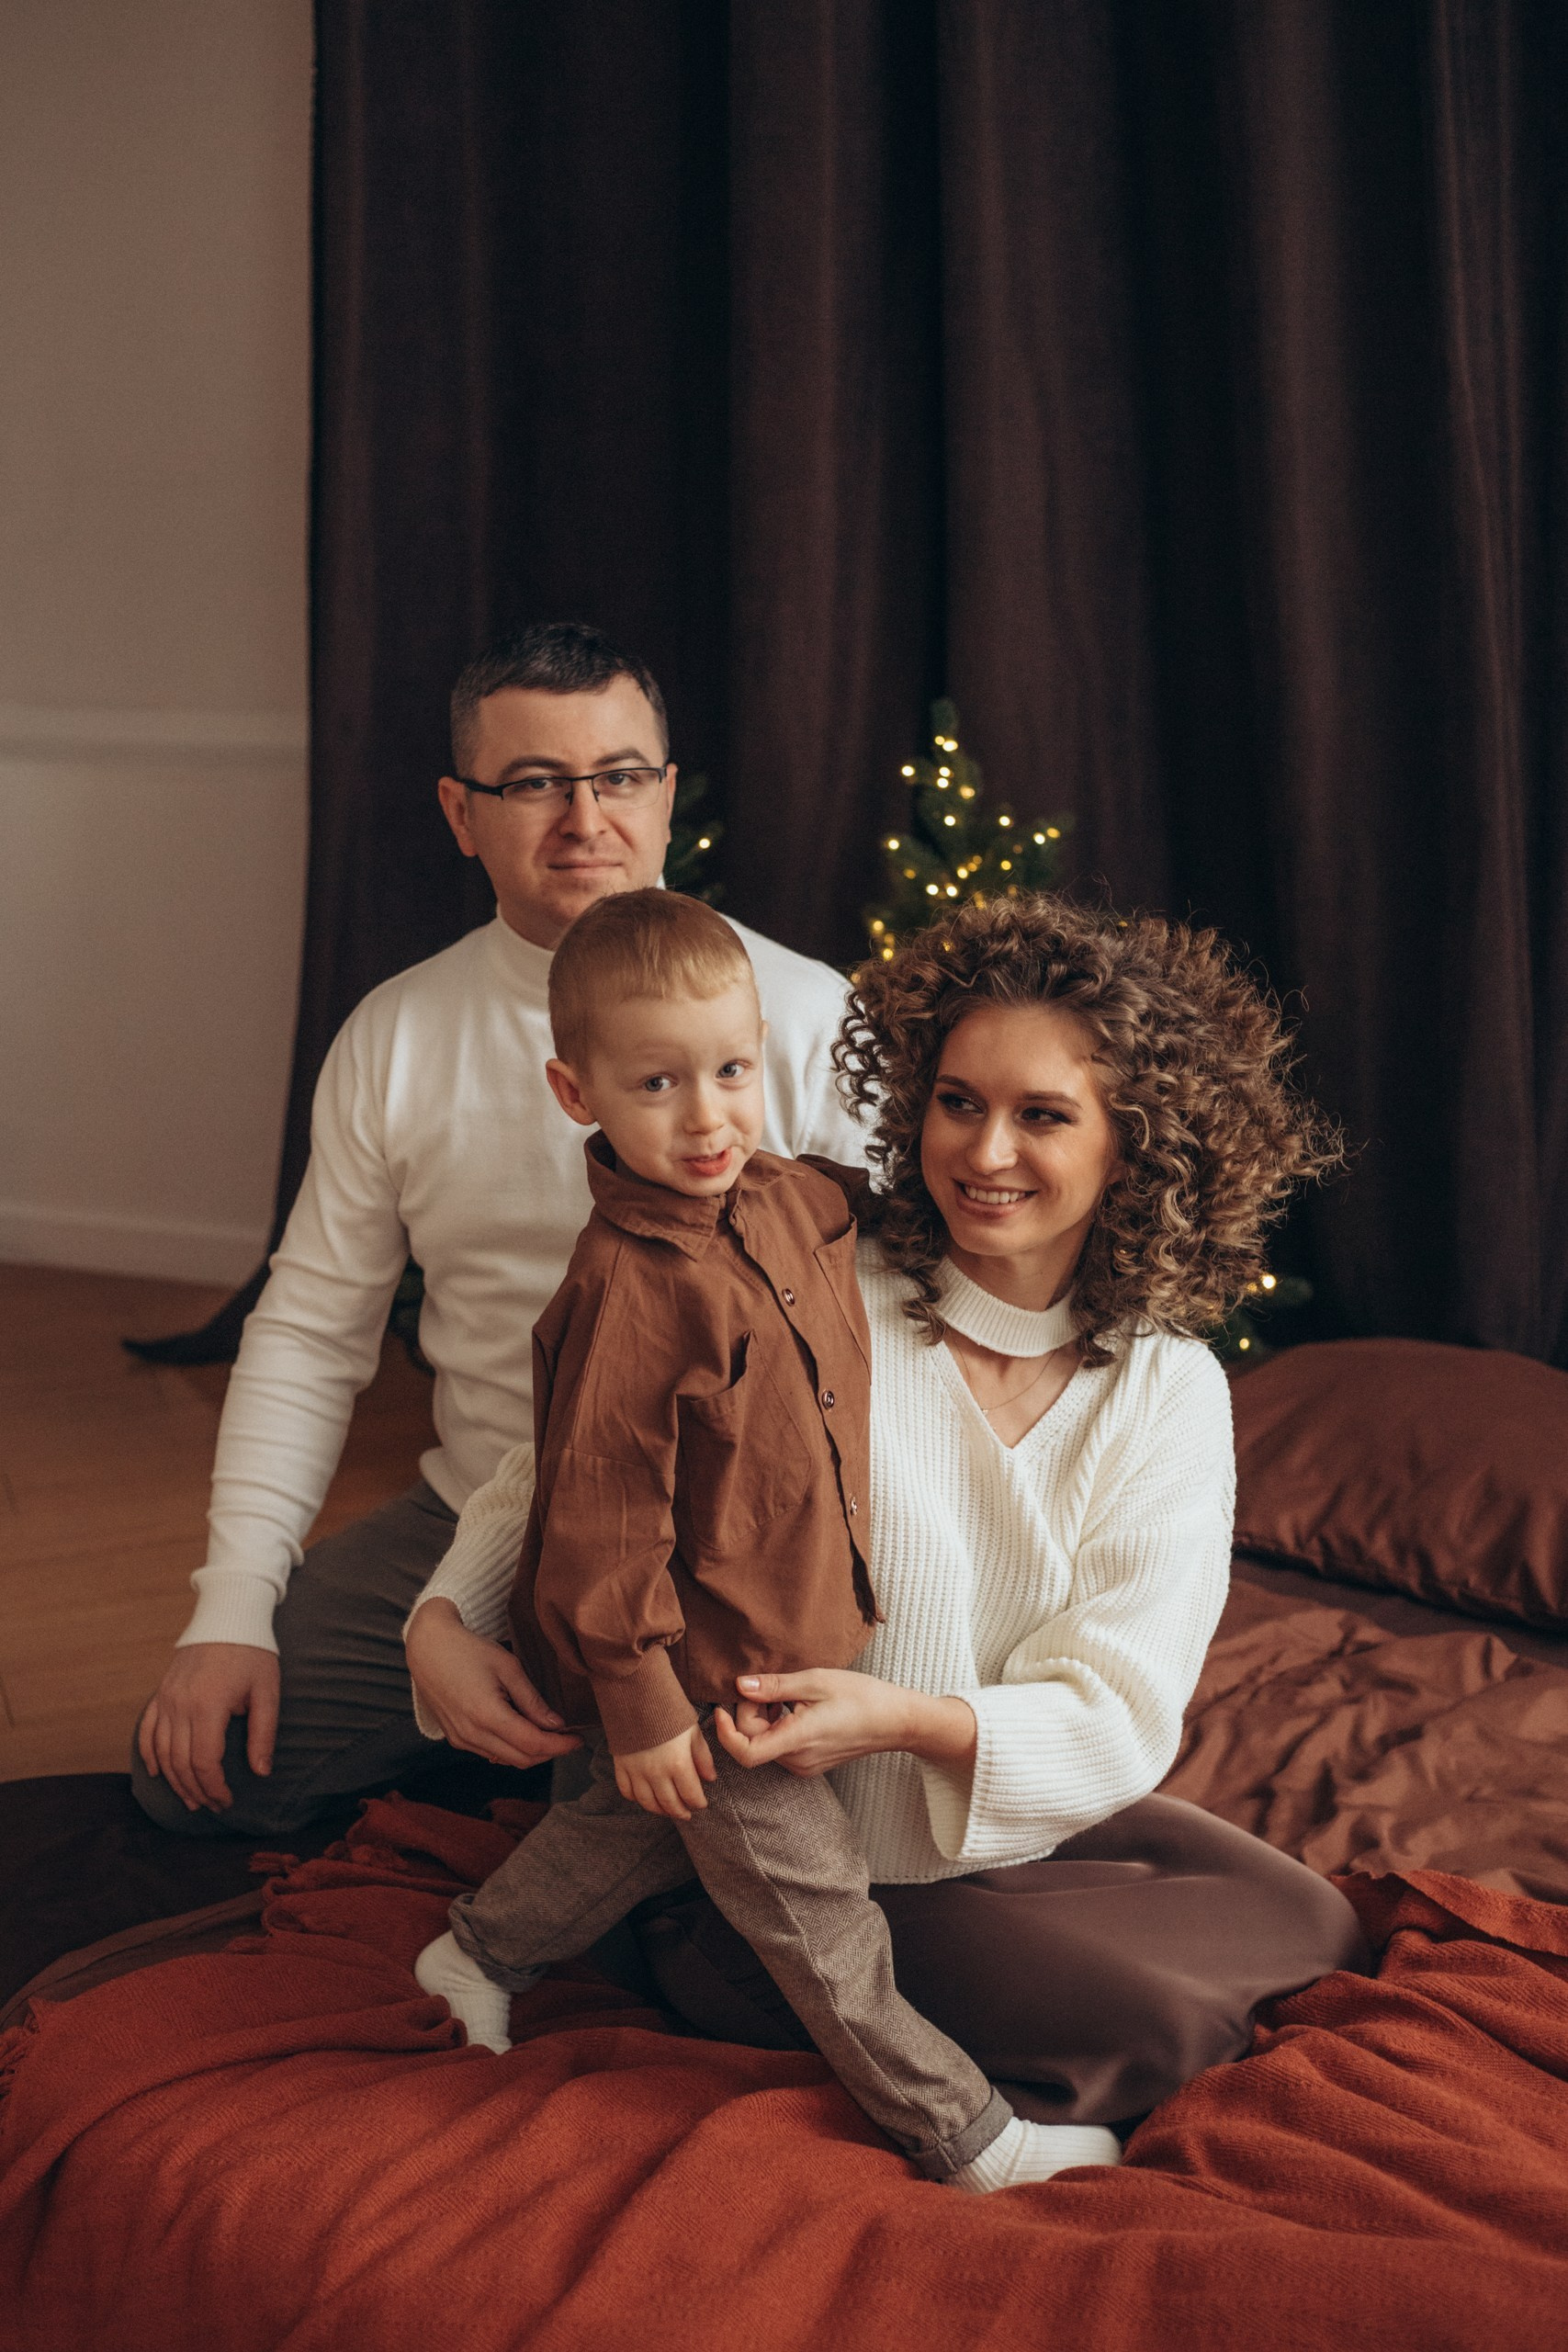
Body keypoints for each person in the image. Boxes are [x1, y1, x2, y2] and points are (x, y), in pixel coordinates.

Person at [407, 892, 1371, 2178]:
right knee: (1165, 2022)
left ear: (1134, 1144)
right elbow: (585, 1452)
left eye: (1043, 1115)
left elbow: (1124, 1709)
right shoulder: (819, 1260)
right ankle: (747, 1978)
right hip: (772, 1810)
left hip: (949, 1786)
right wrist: (441, 1615)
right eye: (959, 1101)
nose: (986, 1151)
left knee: (1310, 1927)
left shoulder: (1166, 1388)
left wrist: (902, 1721)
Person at [131, 623, 863, 1838]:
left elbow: (905, 1329)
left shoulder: (801, 1011)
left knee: (731, 1872)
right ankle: (525, 1732)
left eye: (619, 776)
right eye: (534, 784)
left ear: (667, 791)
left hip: (743, 1554)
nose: (586, 819)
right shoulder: (398, 1036)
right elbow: (309, 1333)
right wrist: (233, 1606)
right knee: (193, 1782)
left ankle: (569, 1765)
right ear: (460, 813)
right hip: (484, 1514)